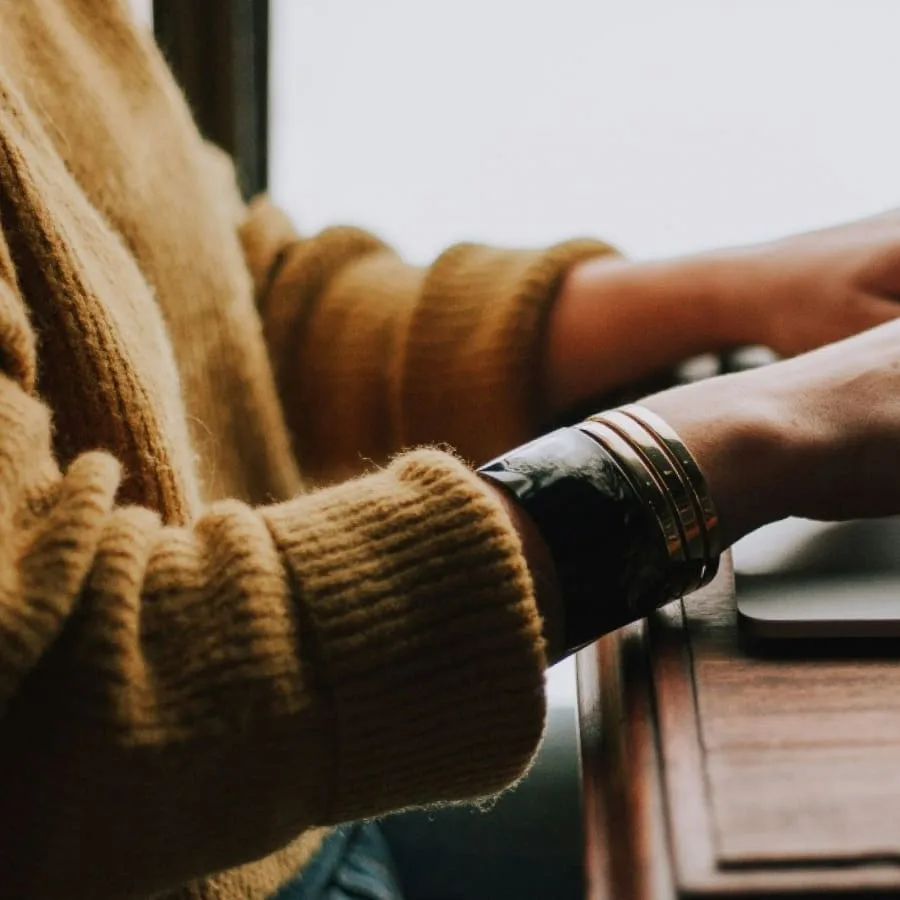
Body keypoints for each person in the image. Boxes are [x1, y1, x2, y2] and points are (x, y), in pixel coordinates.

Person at [4, 2, 900, 899]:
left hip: (277, 817)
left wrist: (749, 289)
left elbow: (222, 323)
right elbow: (60, 706)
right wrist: (757, 432)